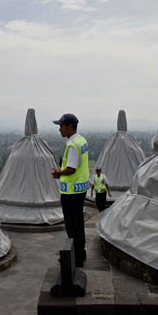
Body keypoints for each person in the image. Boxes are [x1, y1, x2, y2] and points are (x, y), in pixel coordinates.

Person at [51, 113, 89, 267]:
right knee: (78, 223)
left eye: (62, 126)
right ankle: (80, 254)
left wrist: (58, 172)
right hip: (80, 189)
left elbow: (72, 168)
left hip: (71, 192)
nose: (60, 129)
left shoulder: (72, 145)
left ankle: (75, 258)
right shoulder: (81, 140)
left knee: (72, 226)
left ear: (70, 127)